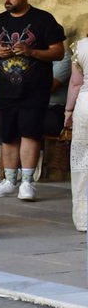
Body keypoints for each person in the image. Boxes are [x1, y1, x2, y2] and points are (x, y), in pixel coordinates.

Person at [0, 0, 66, 202]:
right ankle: (10, 181)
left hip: (35, 91)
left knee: (30, 133)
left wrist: (31, 52)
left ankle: (27, 183)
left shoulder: (43, 19)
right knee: (8, 135)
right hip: (4, 91)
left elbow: (58, 52)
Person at [67, 37, 87, 232]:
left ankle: (82, 218)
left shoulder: (80, 46)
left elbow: (75, 84)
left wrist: (68, 111)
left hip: (85, 104)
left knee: (81, 160)